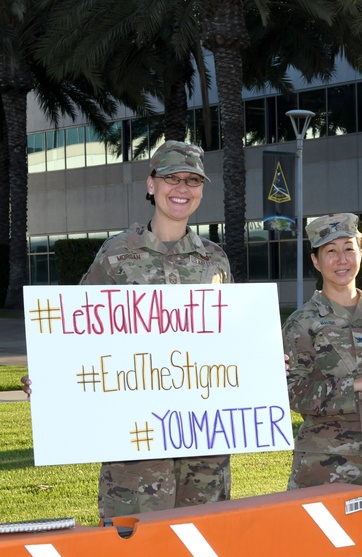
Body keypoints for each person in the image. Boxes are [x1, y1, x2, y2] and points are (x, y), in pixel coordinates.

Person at [78, 141, 231, 521]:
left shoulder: (215, 259)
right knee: (137, 538)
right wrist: (52, 377)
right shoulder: (116, 255)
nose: (182, 188)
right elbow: (76, 330)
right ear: (151, 185)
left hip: (202, 432)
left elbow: (229, 335)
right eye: (171, 179)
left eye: (192, 181)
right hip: (136, 432)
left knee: (204, 534)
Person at [283, 214, 362, 487]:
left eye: (348, 248)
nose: (341, 259)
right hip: (325, 462)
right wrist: (353, 385)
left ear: (361, 254)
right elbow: (292, 393)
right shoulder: (302, 322)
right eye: (330, 251)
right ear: (315, 261)